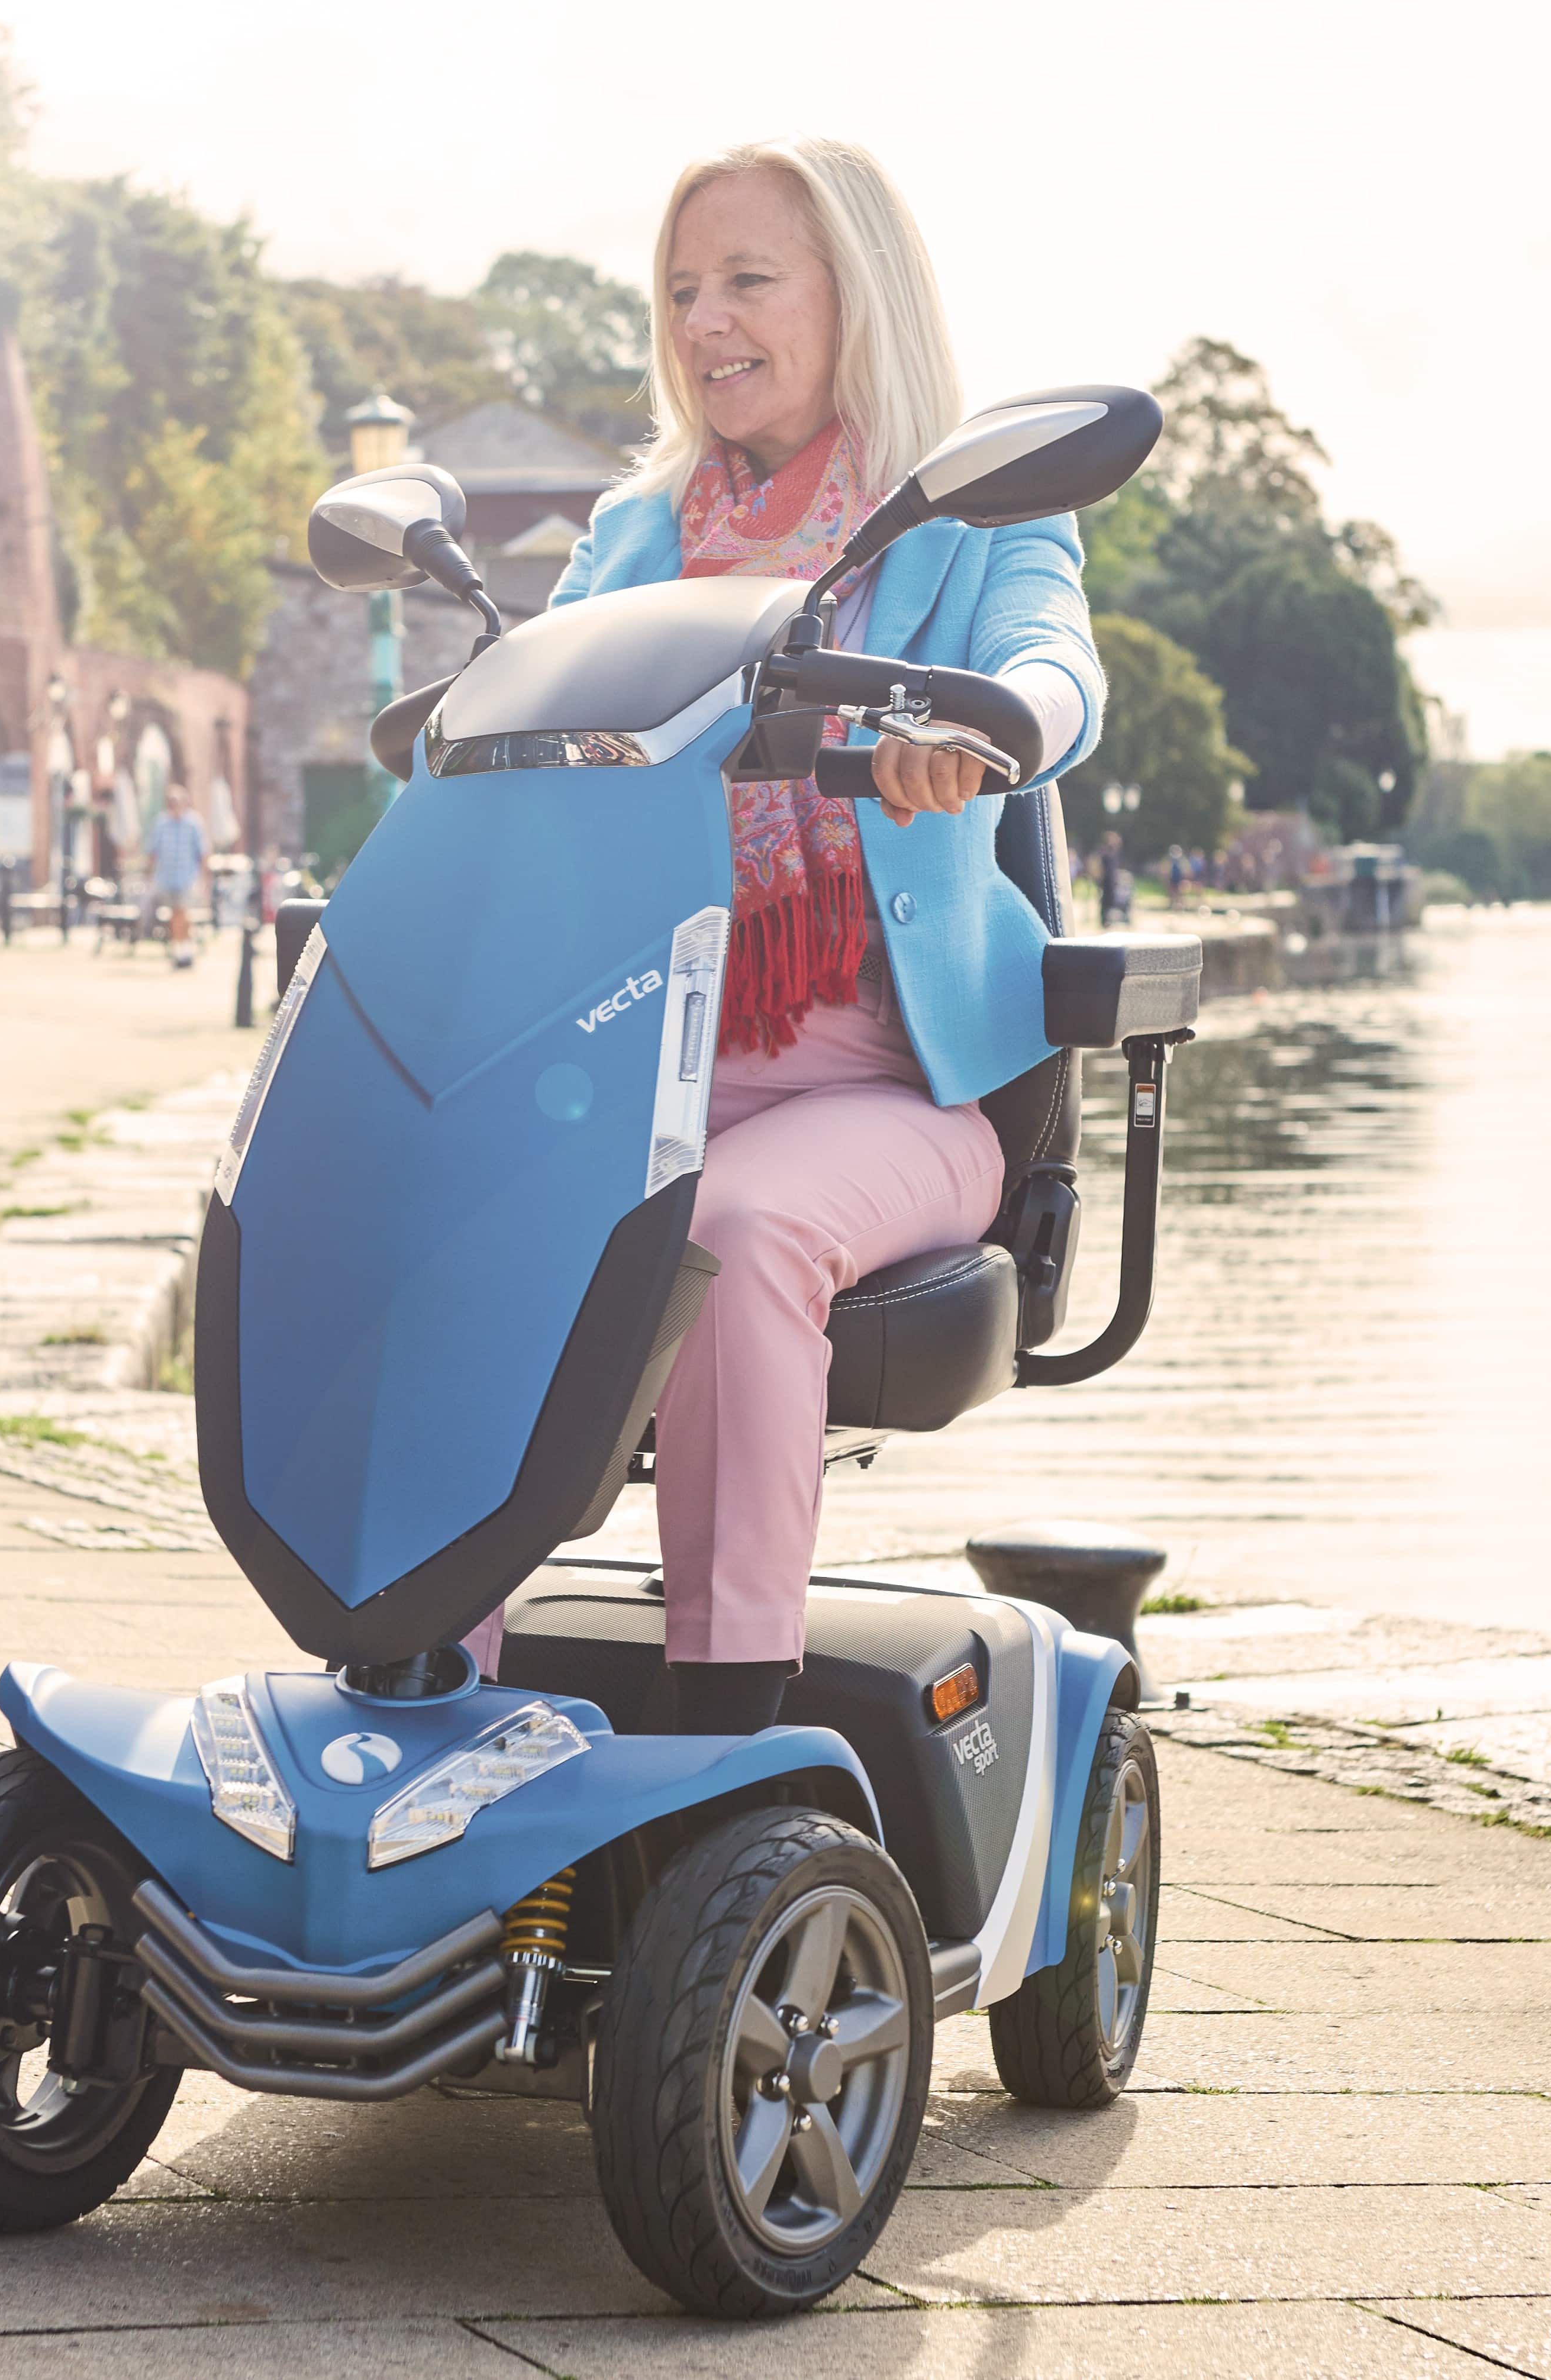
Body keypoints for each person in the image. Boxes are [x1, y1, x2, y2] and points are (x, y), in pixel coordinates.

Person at [457, 137, 1104, 1736]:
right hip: (640, 1070)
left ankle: (722, 1719)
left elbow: (1054, 666)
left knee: (732, 1229)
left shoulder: (972, 517)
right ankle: (413, 1698)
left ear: (850, 294)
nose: (705, 320)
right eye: (681, 289)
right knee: (440, 1207)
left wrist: (992, 725)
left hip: (886, 1096)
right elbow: (524, 702)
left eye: (749, 279)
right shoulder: (631, 530)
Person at [147, 785, 208, 968]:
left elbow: (202, 852)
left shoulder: (193, 824)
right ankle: (179, 948)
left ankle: (185, 949)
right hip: (167, 877)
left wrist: (204, 877)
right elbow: (153, 851)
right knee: (175, 914)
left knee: (182, 911)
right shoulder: (162, 823)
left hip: (186, 877)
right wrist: (149, 875)